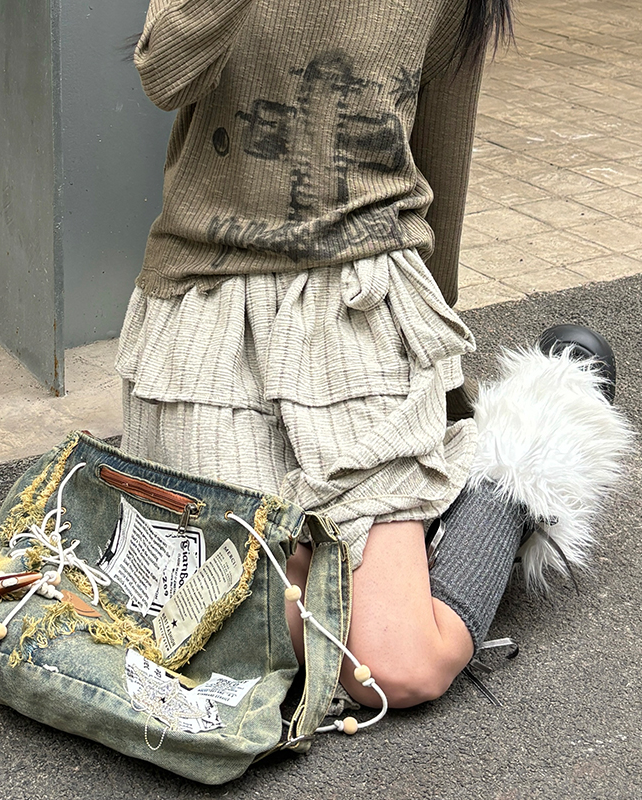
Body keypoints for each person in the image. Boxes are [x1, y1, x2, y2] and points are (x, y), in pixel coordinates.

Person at [115, 0, 626, 710]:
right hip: (209, 306)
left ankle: (523, 452)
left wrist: (432, 396)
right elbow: (165, 70)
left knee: (390, 666)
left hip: (359, 307)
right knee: (236, 621)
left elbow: (440, 155)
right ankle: (423, 524)